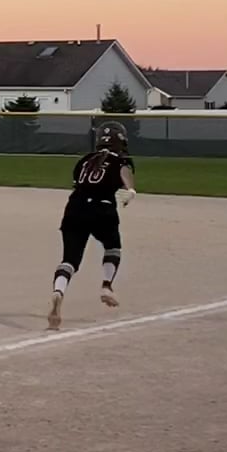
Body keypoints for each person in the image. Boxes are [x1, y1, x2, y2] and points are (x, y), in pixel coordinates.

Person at [48, 123, 137, 329]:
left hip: (74, 208)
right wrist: (130, 189)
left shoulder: (85, 159)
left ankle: (58, 291)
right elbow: (124, 171)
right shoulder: (121, 159)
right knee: (113, 247)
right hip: (102, 208)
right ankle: (106, 286)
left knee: (69, 260)